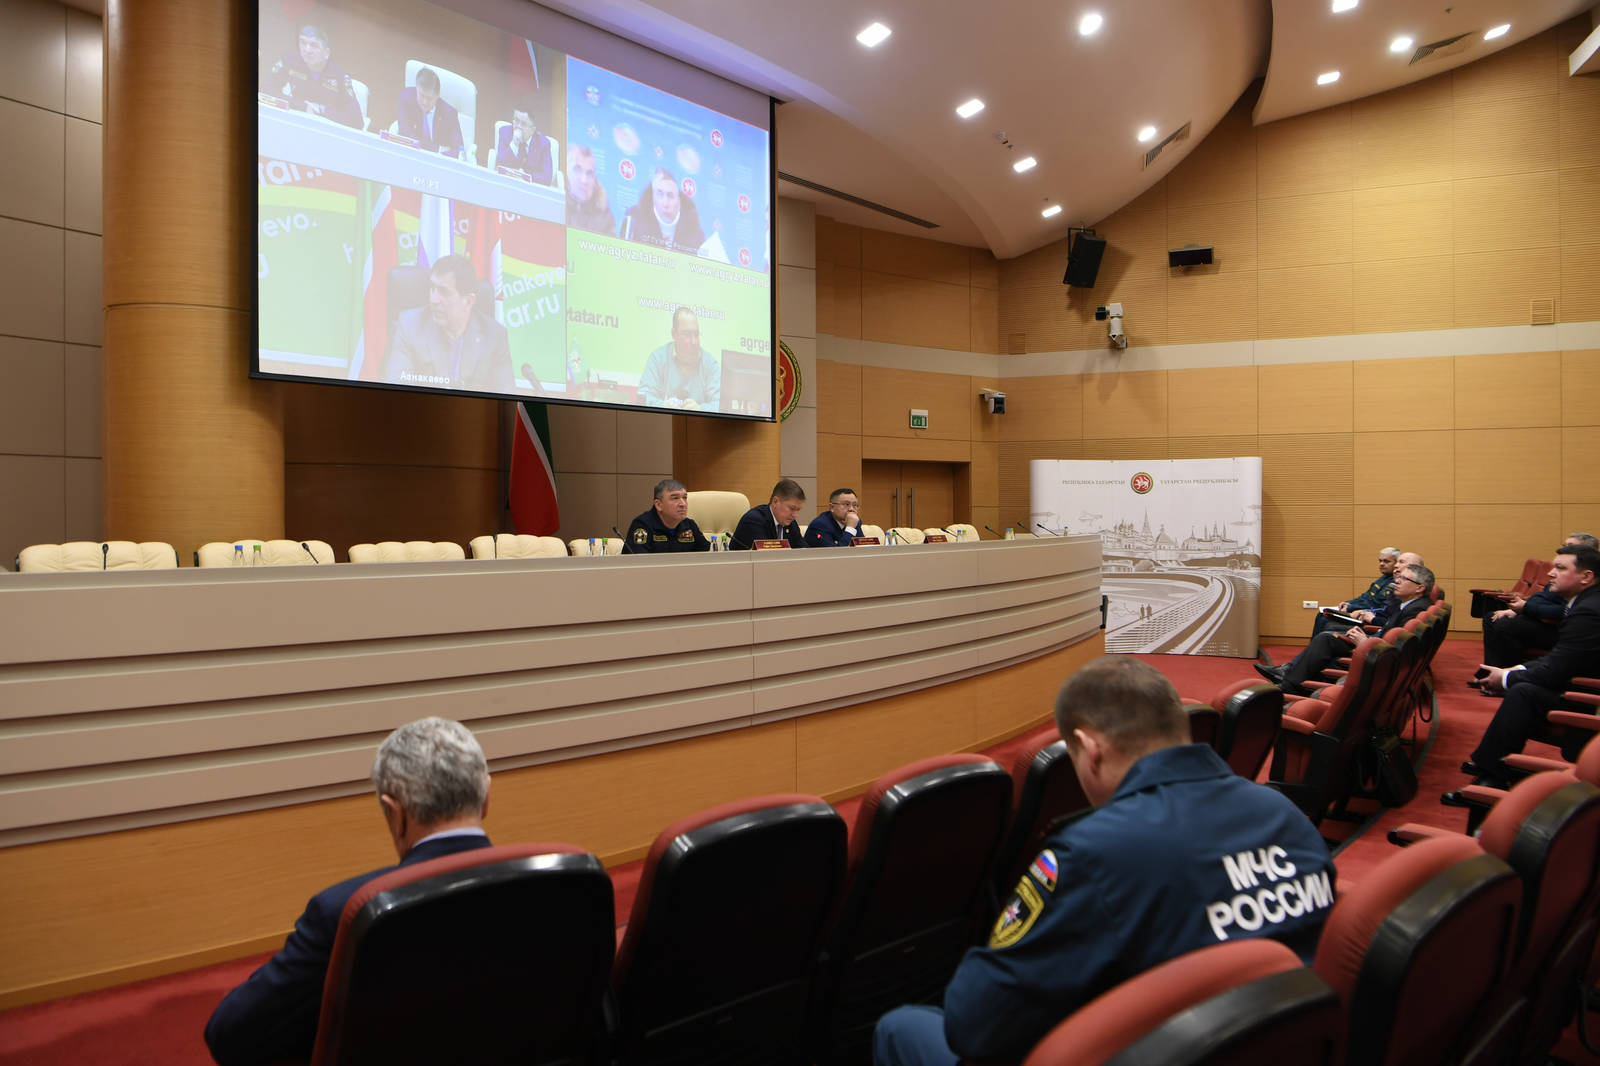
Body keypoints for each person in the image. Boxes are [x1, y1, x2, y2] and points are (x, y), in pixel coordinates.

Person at [871, 657, 1336, 1066]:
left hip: (1158, 1047)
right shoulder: (1283, 814)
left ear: (1089, 749)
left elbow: (975, 1025)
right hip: (1277, 1044)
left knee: (902, 1027)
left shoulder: (1092, 851)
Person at [204, 717, 493, 1066]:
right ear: (486, 799)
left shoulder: (348, 910)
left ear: (395, 814)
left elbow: (231, 1035)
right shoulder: (554, 883)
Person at [1450, 545, 1600, 795]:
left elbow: (1557, 669)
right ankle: (1491, 770)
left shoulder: (1588, 611)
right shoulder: (1586, 602)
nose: (1550, 573)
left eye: (1560, 568)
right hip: (1581, 682)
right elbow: (1560, 657)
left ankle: (1491, 778)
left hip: (1589, 697)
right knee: (1523, 687)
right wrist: (1515, 669)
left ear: (1586, 576)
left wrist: (1507, 677)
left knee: (1523, 692)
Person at [1259, 563, 1434, 695]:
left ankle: (1288, 686)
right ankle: (1292, 678)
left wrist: (1365, 642)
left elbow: (1399, 649)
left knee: (1326, 639)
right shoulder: (1409, 604)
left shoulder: (1416, 610)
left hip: (1376, 654)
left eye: (1404, 579)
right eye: (1398, 577)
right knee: (1328, 636)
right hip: (1375, 643)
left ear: (1419, 588)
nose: (1396, 581)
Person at [382, 255, 513, 393]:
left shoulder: (495, 336)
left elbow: (505, 395)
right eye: (432, 288)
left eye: (444, 292)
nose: (433, 299)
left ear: (468, 301)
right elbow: (396, 388)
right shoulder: (410, 325)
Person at [1482, 532, 1599, 668]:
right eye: (1564, 545)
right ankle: (1492, 672)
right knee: (1493, 618)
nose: (1551, 573)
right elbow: (1541, 597)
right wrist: (1524, 608)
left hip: (1560, 629)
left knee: (1505, 626)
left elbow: (1564, 611)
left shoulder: (1589, 599)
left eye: (1570, 546)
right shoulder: (1562, 580)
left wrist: (1526, 608)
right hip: (1545, 620)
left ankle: (1507, 673)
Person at [261, 23, 363, 130]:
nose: (307, 50)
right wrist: (302, 106)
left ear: (326, 53)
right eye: (303, 43)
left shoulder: (340, 76)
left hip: (324, 128)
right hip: (294, 121)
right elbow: (265, 90)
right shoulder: (289, 60)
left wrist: (321, 110)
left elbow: (357, 120)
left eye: (314, 45)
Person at [637, 307, 719, 411]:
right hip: (663, 419)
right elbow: (644, 398)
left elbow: (720, 404)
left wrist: (700, 409)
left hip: (698, 420)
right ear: (674, 334)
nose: (694, 341)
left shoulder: (710, 363)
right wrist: (663, 406)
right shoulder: (658, 359)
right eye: (687, 334)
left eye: (696, 334)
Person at [1310, 547, 1399, 639]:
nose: (1381, 564)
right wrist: (1349, 603)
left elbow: (1375, 603)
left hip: (1364, 616)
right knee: (1322, 614)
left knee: (1325, 620)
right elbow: (1365, 597)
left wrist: (1350, 607)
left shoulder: (1393, 583)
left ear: (1396, 563)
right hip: (1358, 611)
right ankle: (1313, 646)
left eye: (1386, 561)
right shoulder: (1383, 578)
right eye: (1380, 561)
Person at [622, 167, 706, 254]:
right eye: (660, 194)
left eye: (670, 196)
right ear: (653, 197)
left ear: (679, 201)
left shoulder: (694, 232)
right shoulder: (633, 222)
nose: (665, 203)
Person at [622, 478, 709, 553]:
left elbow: (707, 556)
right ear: (659, 505)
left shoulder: (690, 525)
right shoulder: (642, 526)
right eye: (675, 498)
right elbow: (638, 562)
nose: (683, 504)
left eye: (685, 498)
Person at [396, 67, 463, 158]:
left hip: (438, 160)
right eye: (421, 95)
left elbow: (459, 150)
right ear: (416, 89)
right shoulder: (406, 97)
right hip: (411, 155)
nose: (425, 102)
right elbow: (404, 134)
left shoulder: (449, 113)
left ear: (437, 96)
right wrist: (437, 149)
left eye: (429, 98)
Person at [730, 479, 808, 550]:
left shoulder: (790, 523)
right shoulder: (754, 520)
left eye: (798, 510)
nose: (795, 515)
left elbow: (804, 551)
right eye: (792, 508)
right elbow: (766, 555)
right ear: (775, 502)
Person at [494, 106, 552, 185]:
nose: (518, 126)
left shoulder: (543, 144)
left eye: (523, 124)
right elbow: (500, 164)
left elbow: (546, 178)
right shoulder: (505, 132)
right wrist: (514, 144)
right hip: (507, 182)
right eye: (516, 121)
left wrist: (523, 175)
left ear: (532, 130)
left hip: (530, 187)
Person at [565, 144, 614, 235]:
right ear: (565, 172)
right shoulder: (554, 203)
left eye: (589, 173)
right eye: (577, 170)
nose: (584, 180)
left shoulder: (603, 214)